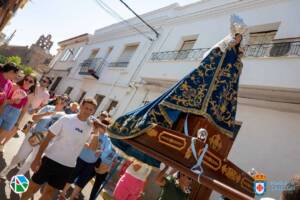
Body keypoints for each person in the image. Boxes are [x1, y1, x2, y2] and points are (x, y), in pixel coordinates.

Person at [107, 15, 248, 168]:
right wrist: (227, 47)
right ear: (233, 35)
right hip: (203, 86)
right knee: (170, 107)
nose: (239, 40)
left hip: (218, 95)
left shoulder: (237, 60)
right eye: (238, 36)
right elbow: (209, 62)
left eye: (241, 38)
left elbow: (232, 80)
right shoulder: (223, 47)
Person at [20, 98, 98, 200]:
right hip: (50, 160)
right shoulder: (66, 119)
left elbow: (93, 148)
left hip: (67, 167)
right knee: (32, 188)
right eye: (86, 108)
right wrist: (37, 158)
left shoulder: (90, 127)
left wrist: (96, 132)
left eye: (91, 110)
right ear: (81, 106)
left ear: (93, 111)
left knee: (49, 193)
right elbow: (48, 138)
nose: (87, 111)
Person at [0, 95, 67, 177]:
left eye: (65, 101)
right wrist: (46, 114)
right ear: (57, 100)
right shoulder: (48, 108)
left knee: (30, 162)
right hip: (33, 135)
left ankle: (17, 179)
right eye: (61, 99)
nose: (62, 102)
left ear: (66, 104)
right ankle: (9, 167)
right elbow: (34, 118)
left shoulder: (64, 116)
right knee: (20, 156)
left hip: (45, 141)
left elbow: (59, 132)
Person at [59, 118, 108, 200]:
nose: (102, 129)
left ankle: (72, 198)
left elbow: (105, 151)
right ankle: (63, 193)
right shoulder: (90, 132)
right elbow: (83, 142)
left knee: (81, 182)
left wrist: (101, 152)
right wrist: (86, 144)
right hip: (81, 159)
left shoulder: (106, 139)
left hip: (91, 163)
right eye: (100, 127)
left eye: (103, 128)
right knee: (72, 176)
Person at [0, 74, 37, 152]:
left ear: (33, 84)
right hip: (5, 108)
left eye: (30, 81)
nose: (27, 82)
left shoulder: (31, 95)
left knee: (2, 133)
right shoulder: (15, 86)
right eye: (26, 79)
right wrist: (12, 101)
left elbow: (24, 109)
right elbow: (5, 100)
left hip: (15, 113)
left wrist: (18, 122)